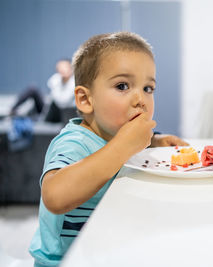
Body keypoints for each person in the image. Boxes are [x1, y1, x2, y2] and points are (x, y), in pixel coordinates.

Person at [29, 32, 189, 266]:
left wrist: (154, 140)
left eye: (148, 88)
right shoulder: (74, 143)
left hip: (106, 250)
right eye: (122, 86)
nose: (140, 99)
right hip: (65, 260)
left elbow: (117, 142)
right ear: (85, 100)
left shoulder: (114, 134)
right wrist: (124, 145)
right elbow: (54, 196)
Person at [9, 59, 76, 124]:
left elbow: (62, 103)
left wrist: (54, 88)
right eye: (60, 67)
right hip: (49, 112)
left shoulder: (74, 82)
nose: (62, 70)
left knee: (55, 105)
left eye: (65, 67)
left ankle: (35, 117)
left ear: (71, 68)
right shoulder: (55, 79)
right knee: (33, 89)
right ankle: (12, 110)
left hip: (62, 114)